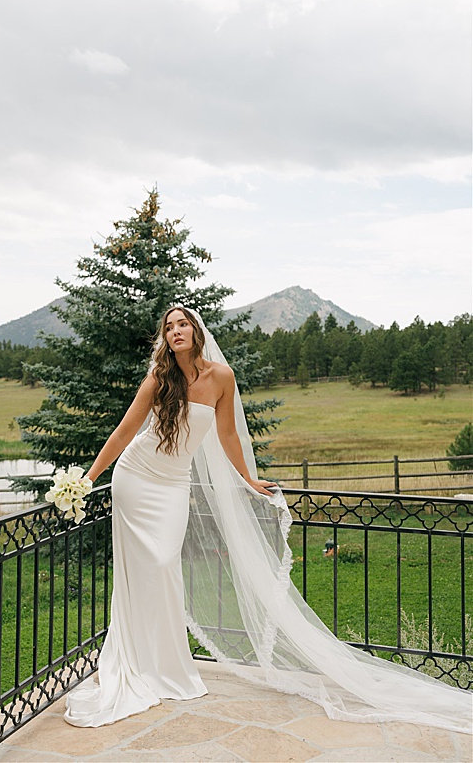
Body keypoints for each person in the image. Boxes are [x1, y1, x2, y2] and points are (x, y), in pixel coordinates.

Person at [63, 308, 472, 734]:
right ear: (164, 338)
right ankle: (138, 660)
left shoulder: (221, 376)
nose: (176, 331)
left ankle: (165, 664)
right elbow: (125, 431)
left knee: (165, 566)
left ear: (196, 331)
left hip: (172, 487)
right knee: (144, 571)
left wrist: (247, 478)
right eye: (169, 327)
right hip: (137, 478)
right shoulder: (158, 378)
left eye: (182, 324)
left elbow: (226, 435)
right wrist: (86, 479)